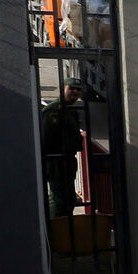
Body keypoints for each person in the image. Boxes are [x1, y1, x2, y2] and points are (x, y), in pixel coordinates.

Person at [41, 77, 84, 218]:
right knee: (59, 200)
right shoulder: (54, 111)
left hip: (67, 161)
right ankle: (57, 230)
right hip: (57, 161)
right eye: (71, 88)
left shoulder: (71, 110)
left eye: (78, 90)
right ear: (63, 88)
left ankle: (65, 229)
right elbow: (46, 139)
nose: (75, 92)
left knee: (69, 199)